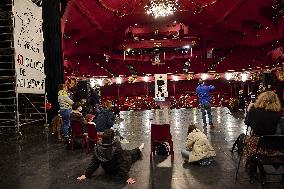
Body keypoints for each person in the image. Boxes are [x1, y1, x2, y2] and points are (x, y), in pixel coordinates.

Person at [77, 129, 144, 185]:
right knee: (131, 155)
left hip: (107, 169)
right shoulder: (116, 147)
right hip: (116, 169)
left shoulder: (97, 147)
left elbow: (94, 163)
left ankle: (138, 149)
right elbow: (122, 163)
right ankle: (139, 149)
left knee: (126, 152)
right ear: (112, 138)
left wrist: (86, 174)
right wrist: (127, 178)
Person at [244, 91, 282, 175]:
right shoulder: (278, 114)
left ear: (260, 100)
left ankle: (252, 169)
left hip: (259, 146)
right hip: (276, 146)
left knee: (247, 141)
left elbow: (247, 123)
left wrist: (249, 110)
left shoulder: (254, 112)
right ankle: (260, 169)